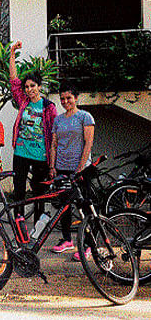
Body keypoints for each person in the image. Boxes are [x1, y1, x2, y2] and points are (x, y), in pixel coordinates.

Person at [9, 41, 57, 221]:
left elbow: (53, 136)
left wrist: (52, 164)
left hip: (40, 156)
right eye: (27, 87)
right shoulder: (23, 101)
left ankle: (38, 227)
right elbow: (14, 81)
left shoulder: (48, 107)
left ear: (39, 86)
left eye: (32, 86)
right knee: (19, 191)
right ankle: (19, 223)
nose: (29, 89)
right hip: (21, 153)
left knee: (39, 194)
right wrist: (12, 53)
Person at [49, 82, 95, 260]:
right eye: (62, 98)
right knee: (64, 206)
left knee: (84, 207)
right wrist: (53, 167)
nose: (65, 101)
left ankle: (89, 244)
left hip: (80, 170)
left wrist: (80, 168)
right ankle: (67, 240)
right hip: (62, 168)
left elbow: (88, 143)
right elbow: (54, 144)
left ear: (76, 98)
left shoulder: (85, 117)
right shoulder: (58, 119)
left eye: (69, 97)